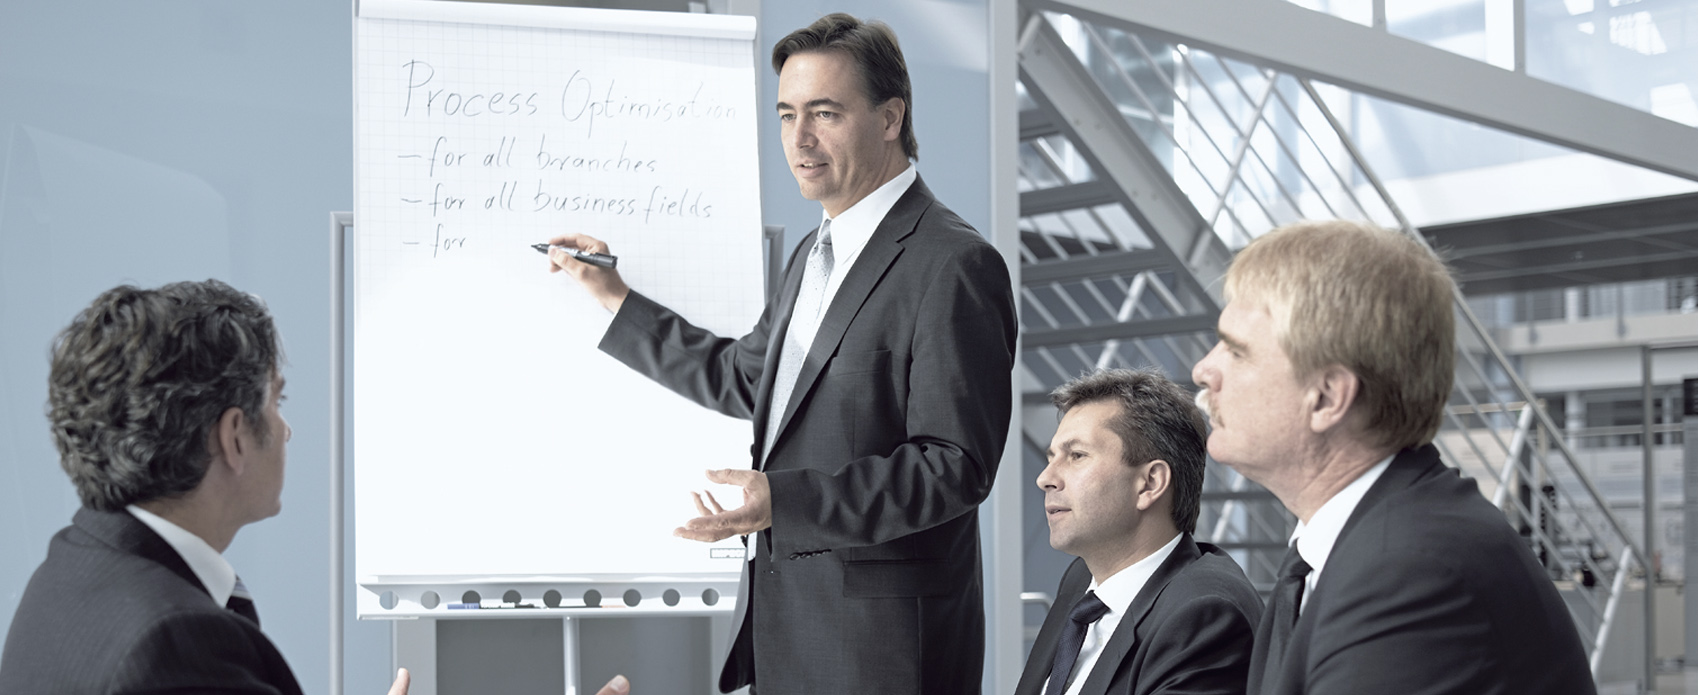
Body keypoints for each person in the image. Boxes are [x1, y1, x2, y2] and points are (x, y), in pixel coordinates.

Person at [546, 12, 1017, 695]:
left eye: (825, 113)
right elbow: (744, 376)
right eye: (787, 115)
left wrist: (784, 500)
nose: (800, 139)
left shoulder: (954, 263)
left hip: (883, 654)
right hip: (790, 631)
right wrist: (614, 297)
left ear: (890, 118)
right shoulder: (812, 255)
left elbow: (955, 466)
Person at [0, 280, 629, 695]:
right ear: (234, 437)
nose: (287, 428)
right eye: (276, 402)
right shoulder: (174, 644)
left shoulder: (72, 570)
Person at [1189, 220, 1596, 695]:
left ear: (1326, 398)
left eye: (1236, 351)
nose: (1203, 370)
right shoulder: (1361, 545)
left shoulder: (1408, 572)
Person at [1015, 369, 1260, 695]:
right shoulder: (1082, 578)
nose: (1045, 478)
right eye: (1051, 457)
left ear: (1150, 483)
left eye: (1076, 456)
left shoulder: (1205, 615)